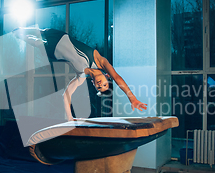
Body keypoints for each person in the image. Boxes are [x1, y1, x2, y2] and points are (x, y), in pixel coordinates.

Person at [13, 27, 147, 121]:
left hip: (54, 52)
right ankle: (22, 29)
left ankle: (20, 36)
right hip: (61, 37)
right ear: (107, 76)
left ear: (94, 84)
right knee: (40, 31)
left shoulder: (81, 76)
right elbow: (117, 78)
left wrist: (69, 117)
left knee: (35, 43)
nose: (100, 85)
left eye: (99, 87)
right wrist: (132, 98)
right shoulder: (100, 61)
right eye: (105, 84)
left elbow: (65, 95)